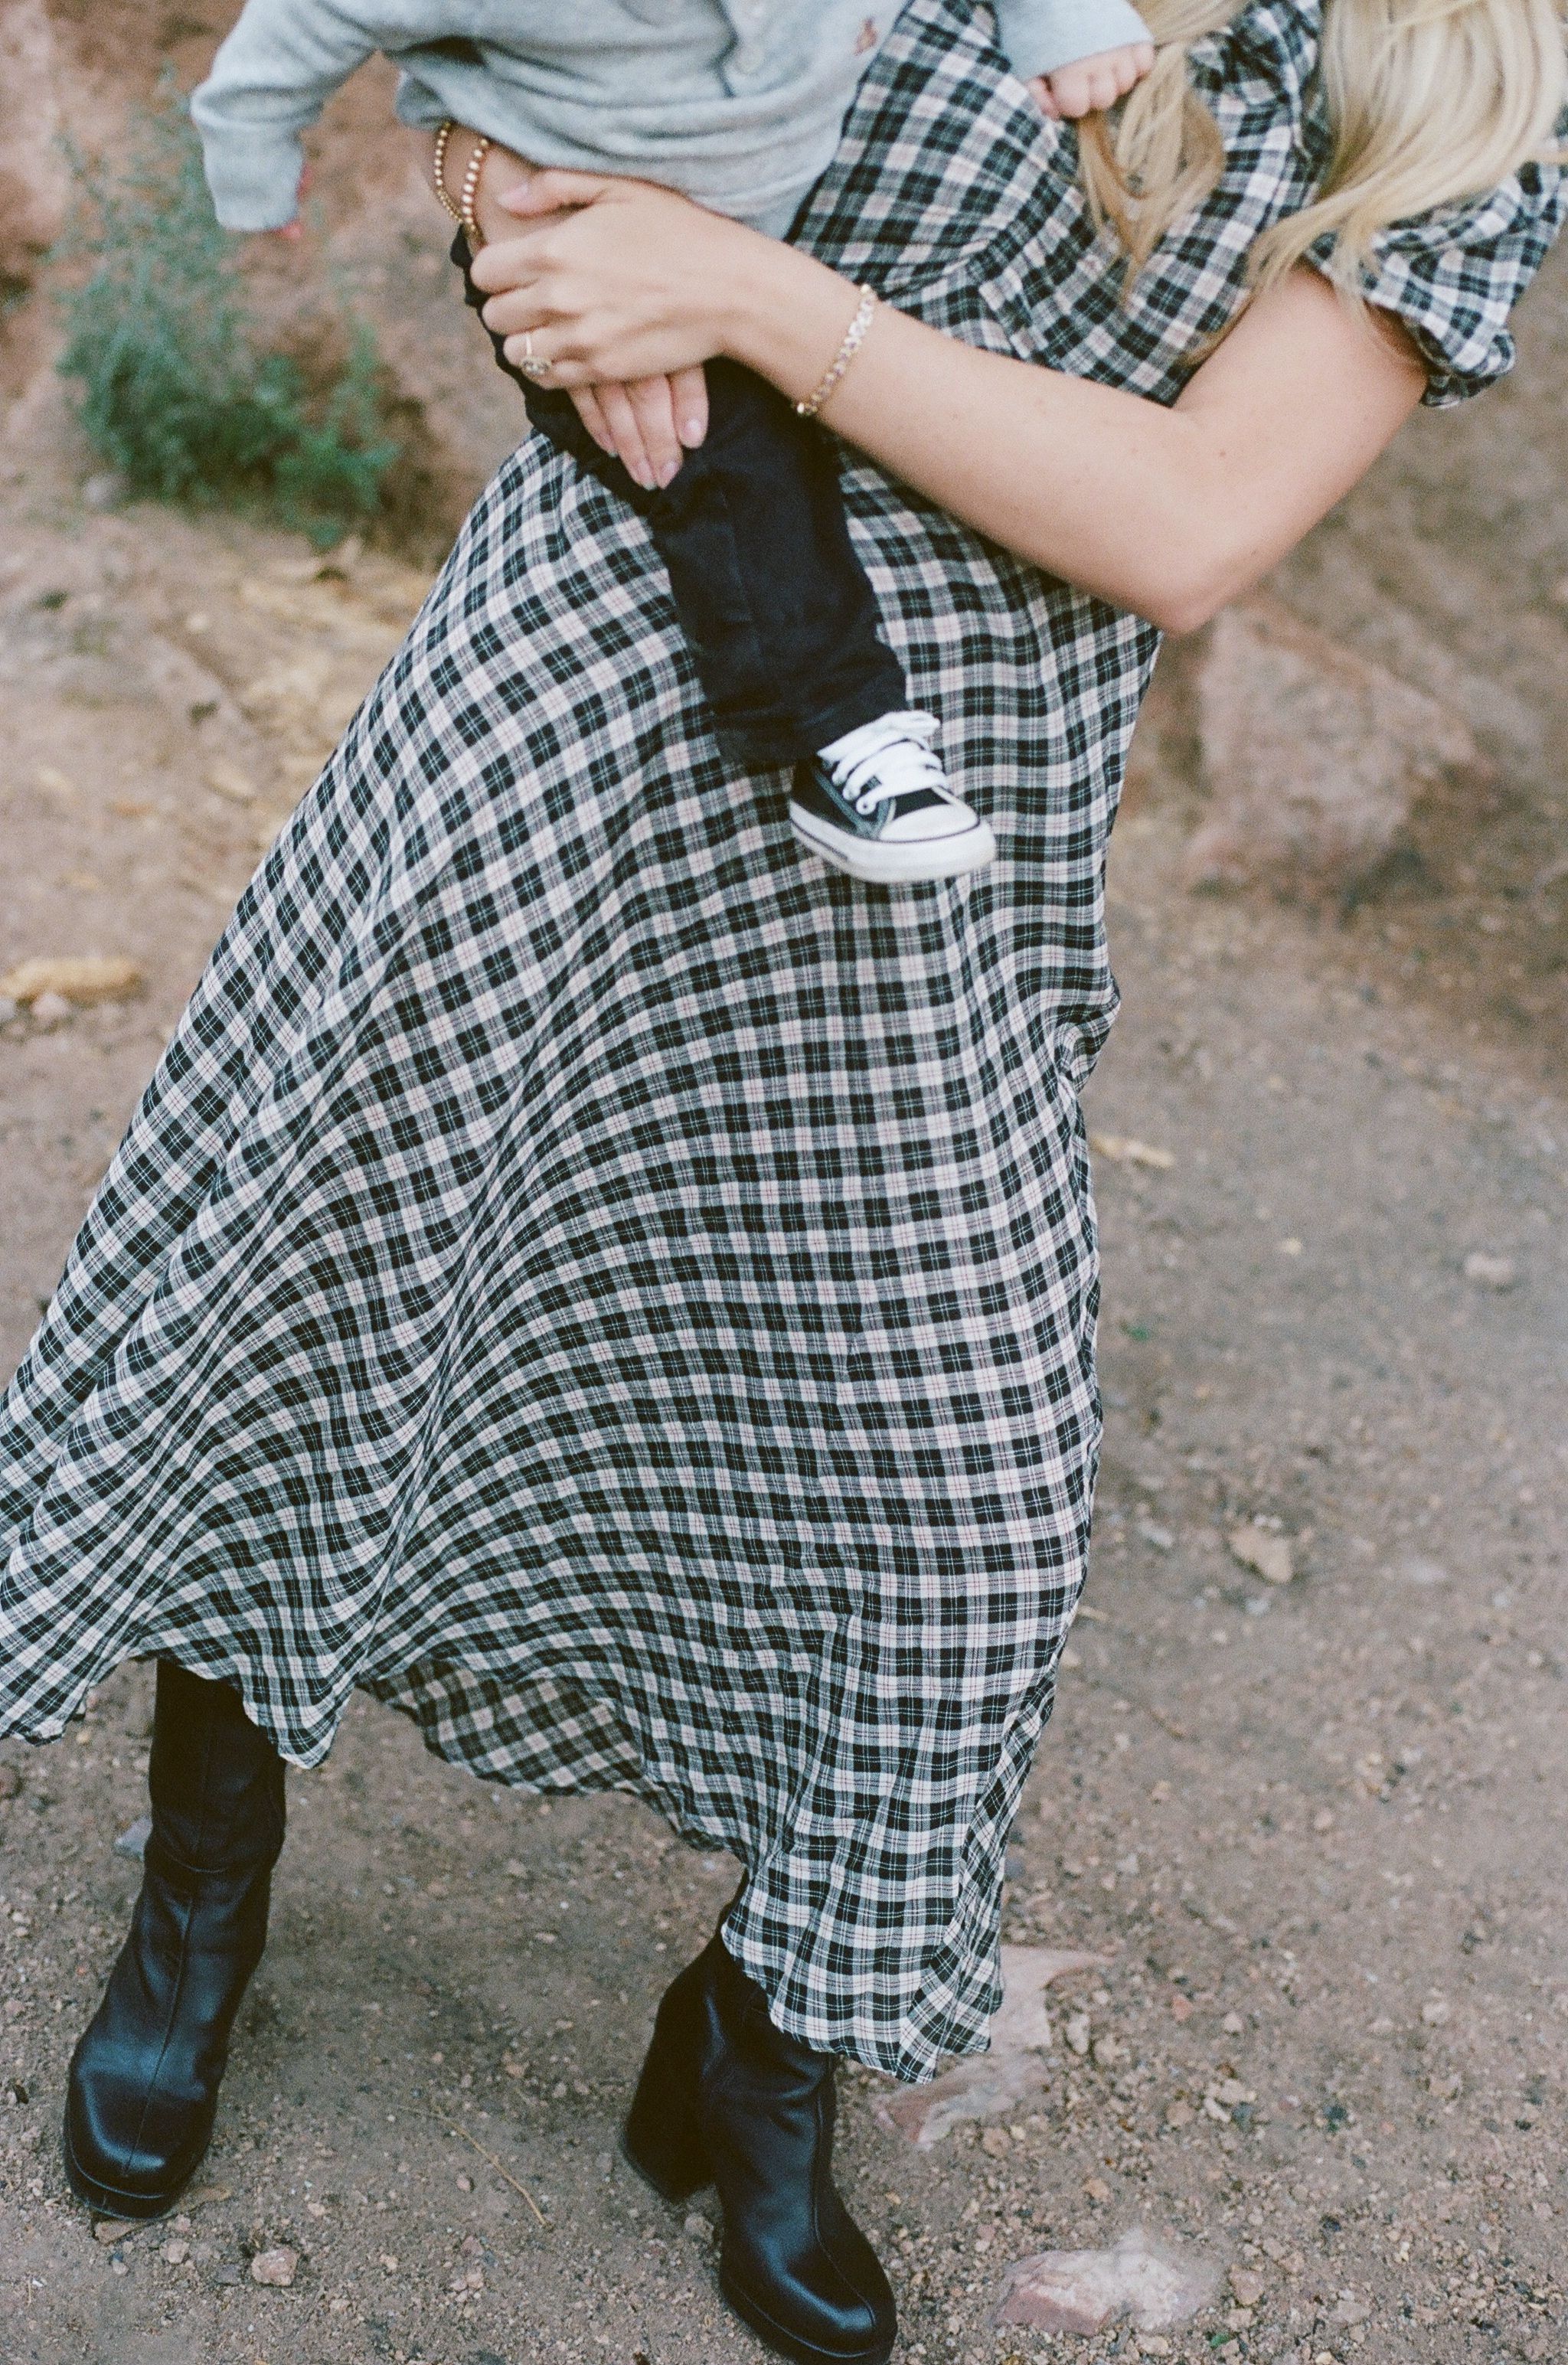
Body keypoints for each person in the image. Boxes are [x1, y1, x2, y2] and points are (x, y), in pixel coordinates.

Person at [3, 1, 1563, 2360]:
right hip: (573, 696)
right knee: (337, 1294)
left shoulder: (1470, 89)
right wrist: (510, 195)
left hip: (930, 853)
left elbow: (1182, 522)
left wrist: (749, 304)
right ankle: (199, 1902)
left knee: (960, 1513)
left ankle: (754, 2038)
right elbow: (553, 101)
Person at [190, 0, 1155, 883]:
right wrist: (248, 154)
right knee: (727, 466)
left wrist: (1063, 22)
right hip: (582, 252)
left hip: (776, 238)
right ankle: (842, 731)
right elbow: (311, 15)